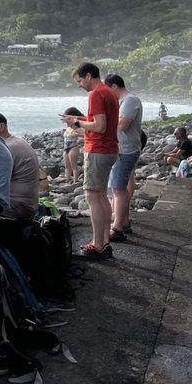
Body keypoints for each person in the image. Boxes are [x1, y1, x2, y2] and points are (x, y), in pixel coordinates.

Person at [62, 63, 119, 260]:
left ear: (88, 76)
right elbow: (98, 120)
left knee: (92, 197)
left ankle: (98, 245)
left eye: (79, 80)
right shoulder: (108, 92)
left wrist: (76, 123)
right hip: (109, 149)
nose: (79, 85)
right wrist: (76, 118)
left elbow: (99, 126)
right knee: (101, 197)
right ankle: (104, 243)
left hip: (98, 150)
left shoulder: (95, 94)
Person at [104, 75, 143, 242]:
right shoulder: (124, 101)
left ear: (113, 86)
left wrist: (100, 125)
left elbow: (122, 124)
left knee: (118, 189)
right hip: (123, 149)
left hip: (126, 150)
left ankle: (118, 228)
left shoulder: (130, 100)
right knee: (120, 188)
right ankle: (124, 222)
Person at [0, 112, 40, 220]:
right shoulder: (16, 141)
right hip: (28, 204)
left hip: (19, 208)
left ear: (1, 126)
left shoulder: (7, 148)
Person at [62, 106, 84, 183]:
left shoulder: (76, 127)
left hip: (73, 147)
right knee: (67, 166)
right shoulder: (68, 127)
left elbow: (84, 134)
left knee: (73, 166)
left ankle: (75, 181)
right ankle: (67, 180)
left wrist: (76, 133)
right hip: (66, 148)